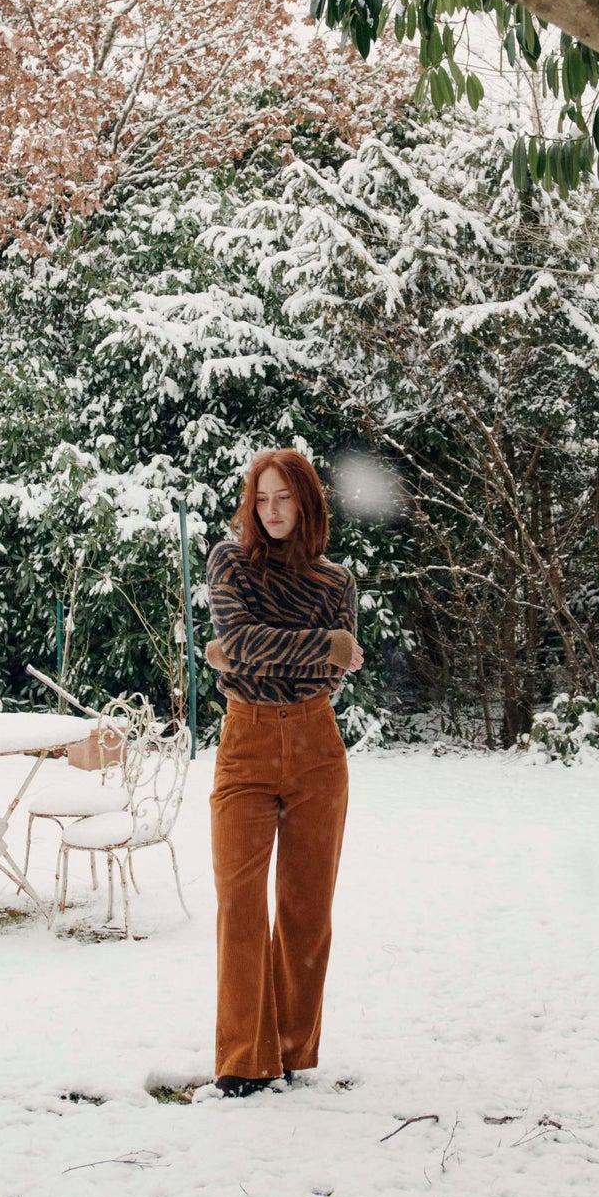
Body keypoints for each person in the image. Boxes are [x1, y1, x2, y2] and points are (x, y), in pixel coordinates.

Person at [199, 449, 364, 1098]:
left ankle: (293, 1052)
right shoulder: (228, 561)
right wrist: (323, 642)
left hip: (317, 743)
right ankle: (243, 1060)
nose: (270, 511)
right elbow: (240, 644)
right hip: (246, 741)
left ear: (306, 504)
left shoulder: (335, 581)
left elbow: (324, 673)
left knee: (306, 908)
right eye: (261, 499)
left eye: (283, 499)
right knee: (239, 903)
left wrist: (239, 650)